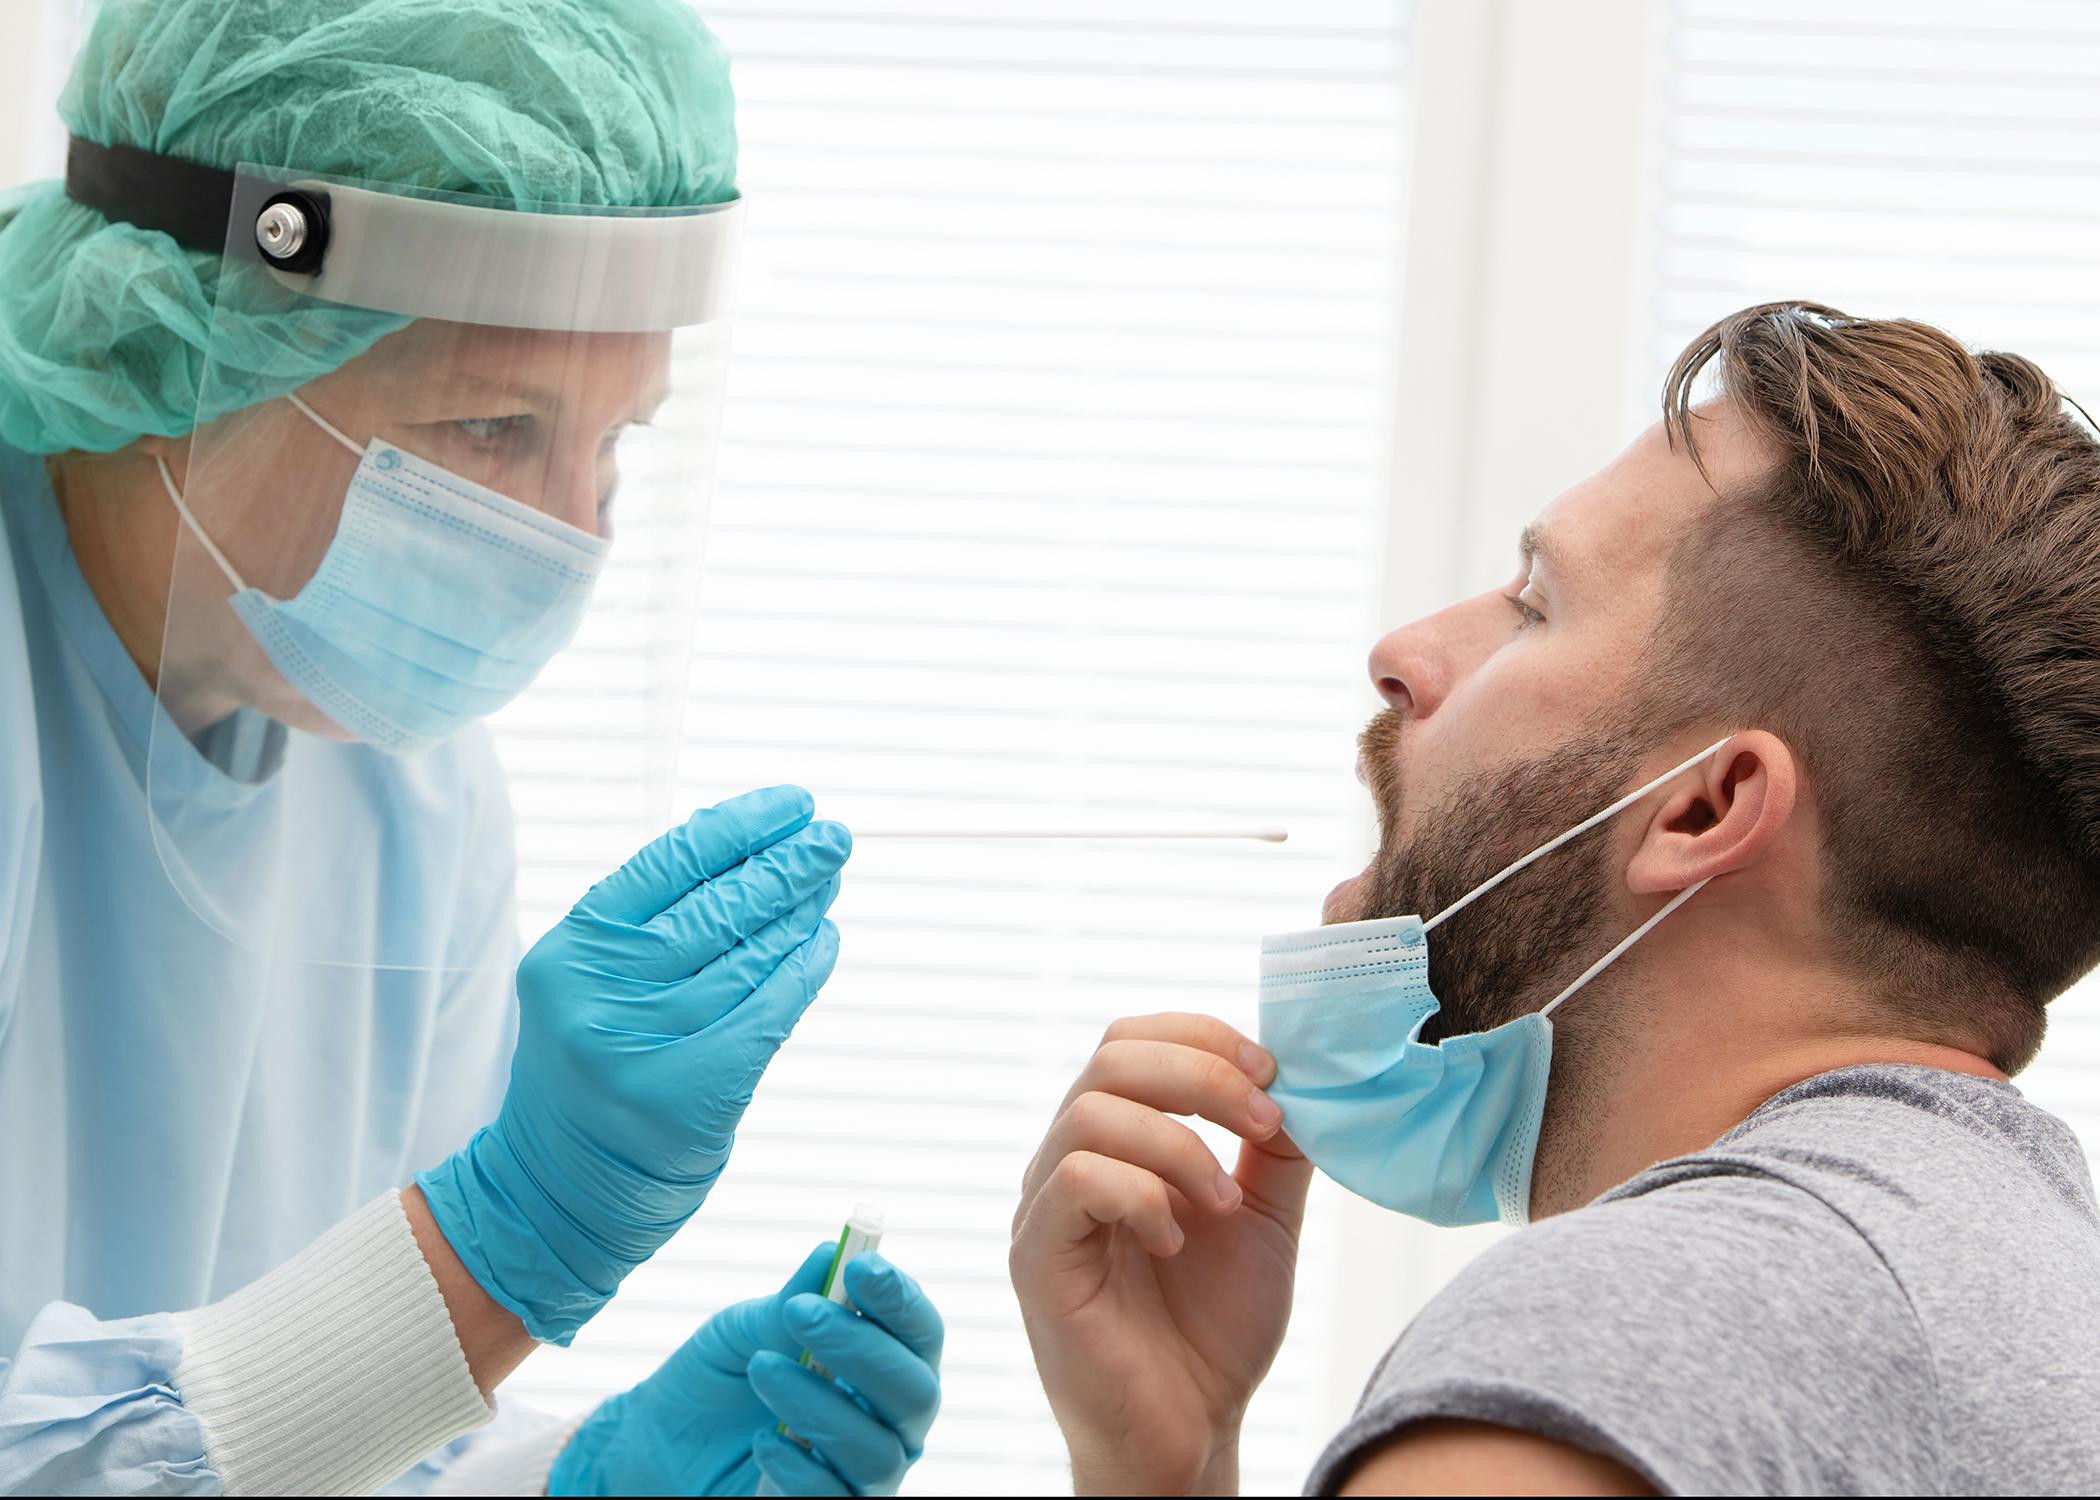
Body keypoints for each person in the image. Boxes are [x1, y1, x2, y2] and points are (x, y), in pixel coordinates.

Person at [0, 2, 939, 1494]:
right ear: (187, 339)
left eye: (615, 440)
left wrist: (568, 1478)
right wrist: (503, 1251)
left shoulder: (407, 790)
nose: (570, 538)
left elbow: (333, 1436)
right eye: (496, 428)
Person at [1009, 302, 2100, 1495]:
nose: (1406, 651)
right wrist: (1168, 1472)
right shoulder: (2018, 1284)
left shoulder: (1646, 1326)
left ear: (1702, 808)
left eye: (1535, 602)